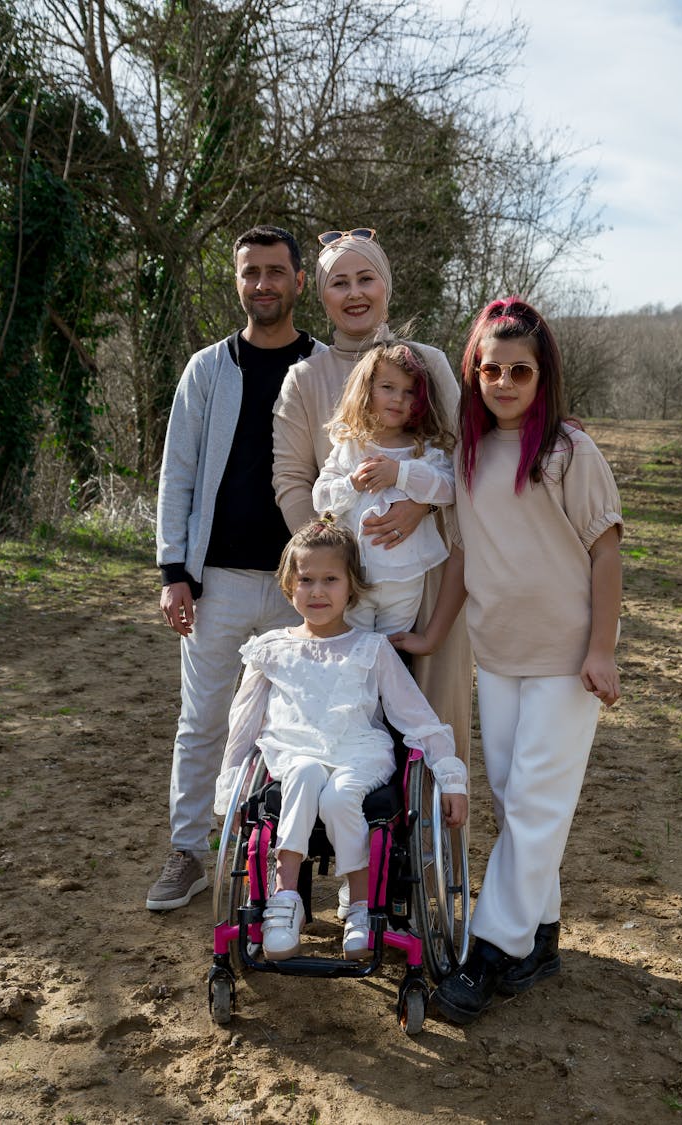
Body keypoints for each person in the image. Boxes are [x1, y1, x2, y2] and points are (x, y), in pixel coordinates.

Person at [392, 297, 623, 1023]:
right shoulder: (468, 454)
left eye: (519, 370)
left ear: (542, 373)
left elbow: (606, 548)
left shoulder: (567, 452)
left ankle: (489, 949)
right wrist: (433, 635)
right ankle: (540, 938)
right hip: (497, 656)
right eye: (489, 369)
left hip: (564, 660)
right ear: (474, 372)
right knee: (512, 798)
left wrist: (602, 649)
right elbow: (465, 554)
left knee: (535, 803)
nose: (503, 381)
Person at [147, 225, 326, 912]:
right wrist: (173, 572)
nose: (263, 284)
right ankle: (189, 850)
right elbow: (178, 475)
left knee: (294, 725)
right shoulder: (207, 370)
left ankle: (283, 867)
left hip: (300, 586)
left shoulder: (322, 368)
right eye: (251, 271)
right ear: (237, 280)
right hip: (214, 579)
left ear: (298, 281)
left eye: (276, 271)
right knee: (204, 722)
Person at [213, 518, 468, 960]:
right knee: (306, 773)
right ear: (288, 585)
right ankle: (284, 898)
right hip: (294, 755)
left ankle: (360, 904)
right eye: (305, 580)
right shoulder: (270, 649)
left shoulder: (371, 649)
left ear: (352, 587)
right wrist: (230, 792)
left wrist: (451, 778)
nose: (317, 591)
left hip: (360, 754)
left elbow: (418, 719)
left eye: (330, 580)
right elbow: (244, 727)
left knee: (339, 796)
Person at [273, 228, 472, 763]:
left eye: (367, 278)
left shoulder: (426, 362)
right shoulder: (304, 377)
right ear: (322, 295)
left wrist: (419, 504)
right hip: (344, 580)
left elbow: (461, 460)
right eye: (340, 282)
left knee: (431, 724)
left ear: (386, 285)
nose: (355, 292)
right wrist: (324, 563)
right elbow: (293, 481)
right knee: (345, 709)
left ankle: (434, 845)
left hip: (423, 578)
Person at [311, 337, 455, 634]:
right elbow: (321, 498)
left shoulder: (424, 449)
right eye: (387, 388)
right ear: (367, 390)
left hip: (406, 577)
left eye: (409, 392)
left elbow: (448, 489)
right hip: (353, 575)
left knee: (392, 656)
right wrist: (352, 483)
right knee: (355, 650)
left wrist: (399, 473)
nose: (398, 399)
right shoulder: (352, 446)